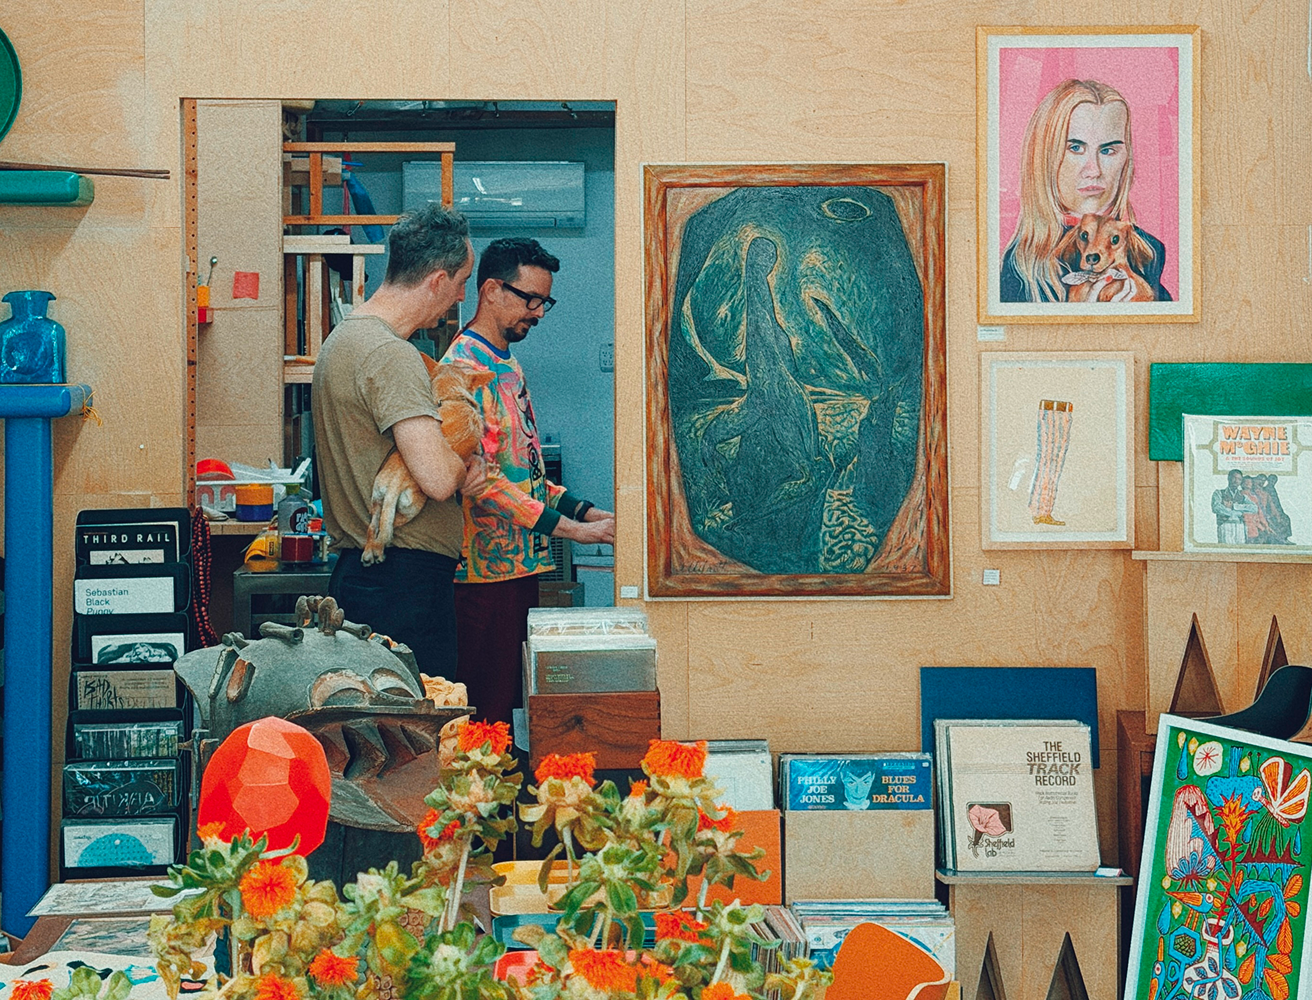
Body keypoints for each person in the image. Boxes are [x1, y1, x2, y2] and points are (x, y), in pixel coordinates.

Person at [442, 237, 615, 727]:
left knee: (510, 706)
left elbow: (526, 469)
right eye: (530, 299)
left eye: (545, 302)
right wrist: (573, 531)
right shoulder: (462, 369)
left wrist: (586, 511)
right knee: (484, 716)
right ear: (491, 290)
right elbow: (483, 484)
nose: (538, 313)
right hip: (481, 576)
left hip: (519, 569)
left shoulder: (507, 362)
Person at [312, 205, 485, 680]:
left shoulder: (343, 340)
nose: (461, 296)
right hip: (402, 585)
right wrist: (464, 463)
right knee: (413, 718)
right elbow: (437, 478)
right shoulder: (392, 354)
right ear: (437, 281)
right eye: (461, 282)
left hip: (366, 575)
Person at [1001, 78, 1173, 303]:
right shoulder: (1020, 269)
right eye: (1075, 148)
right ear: (1043, 158)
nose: (1094, 170)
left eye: (1108, 150)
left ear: (1126, 160)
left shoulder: (1149, 253)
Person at [1211, 469, 1254, 546]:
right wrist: (1237, 513)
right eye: (1234, 478)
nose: (1236, 481)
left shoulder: (1243, 496)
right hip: (1225, 525)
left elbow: (1254, 508)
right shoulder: (1219, 493)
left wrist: (1234, 506)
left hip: (1240, 526)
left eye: (1239, 479)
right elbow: (1216, 508)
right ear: (1229, 478)